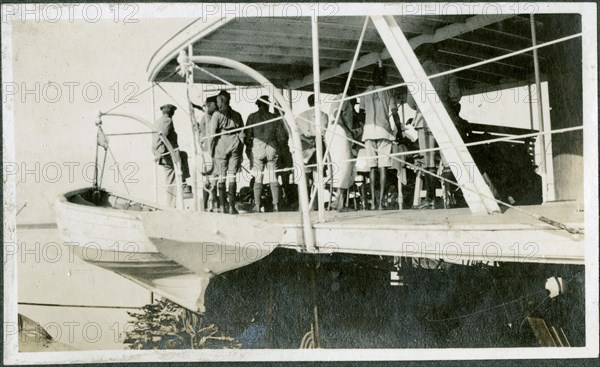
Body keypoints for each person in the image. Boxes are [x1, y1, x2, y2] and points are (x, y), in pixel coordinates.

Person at [407, 44, 462, 209]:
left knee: (428, 160)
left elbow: (410, 102)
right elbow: (455, 96)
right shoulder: (448, 71)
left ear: (421, 57)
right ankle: (449, 195)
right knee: (448, 158)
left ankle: (431, 198)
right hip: (445, 119)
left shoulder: (415, 75)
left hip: (424, 121)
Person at [359, 66, 401, 210]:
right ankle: (381, 203)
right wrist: (399, 129)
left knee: (372, 168)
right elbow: (394, 113)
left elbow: (361, 112)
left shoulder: (366, 92)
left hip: (369, 132)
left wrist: (363, 126)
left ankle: (373, 203)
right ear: (385, 77)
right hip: (384, 131)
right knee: (383, 167)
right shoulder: (389, 91)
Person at [244, 96, 286, 212]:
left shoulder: (252, 117)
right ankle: (276, 205)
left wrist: (248, 150)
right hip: (272, 149)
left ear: (258, 105)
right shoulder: (274, 117)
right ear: (268, 105)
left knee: (258, 178)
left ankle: (257, 205)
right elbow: (282, 138)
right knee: (274, 178)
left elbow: (247, 136)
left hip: (257, 149)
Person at [208, 90, 244, 214]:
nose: (217, 103)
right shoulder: (237, 115)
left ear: (222, 100)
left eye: (218, 101)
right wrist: (241, 151)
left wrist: (210, 150)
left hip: (221, 144)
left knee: (221, 176)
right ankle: (232, 207)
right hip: (235, 143)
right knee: (232, 176)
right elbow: (242, 134)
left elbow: (212, 134)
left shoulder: (216, 115)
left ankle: (223, 207)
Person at [152, 104, 191, 208]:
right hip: (168, 155)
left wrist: (157, 153)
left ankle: (182, 184)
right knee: (172, 181)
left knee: (171, 180)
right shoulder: (167, 120)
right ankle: (182, 185)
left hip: (164, 154)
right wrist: (161, 153)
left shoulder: (157, 122)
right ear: (171, 112)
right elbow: (161, 137)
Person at [326, 94, 356, 212]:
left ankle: (338, 201)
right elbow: (337, 116)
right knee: (344, 166)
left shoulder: (336, 98)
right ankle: (340, 203)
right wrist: (349, 132)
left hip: (333, 131)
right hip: (339, 131)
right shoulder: (344, 97)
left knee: (340, 166)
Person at [195, 95, 219, 210]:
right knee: (208, 178)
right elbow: (201, 133)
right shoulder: (206, 118)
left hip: (214, 150)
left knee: (214, 179)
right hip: (208, 151)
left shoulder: (213, 116)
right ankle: (206, 205)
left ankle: (214, 204)